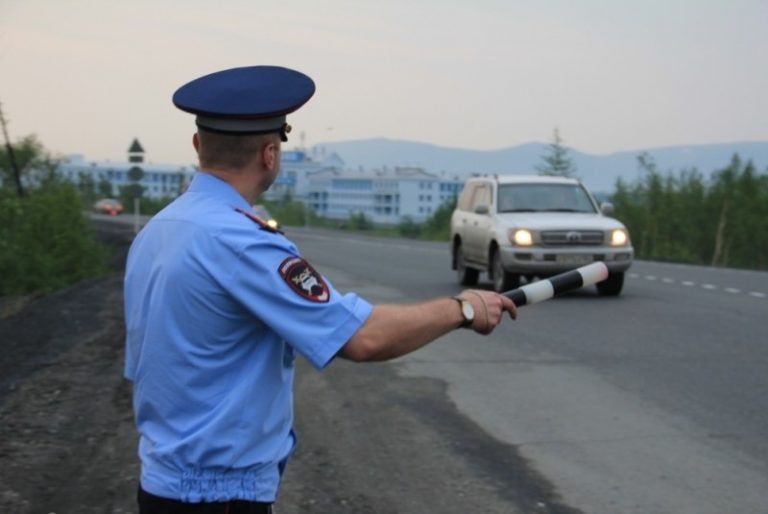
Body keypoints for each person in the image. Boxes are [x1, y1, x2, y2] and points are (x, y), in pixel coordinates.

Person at [123, 65, 517, 513]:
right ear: (270, 154)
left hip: (162, 482)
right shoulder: (241, 242)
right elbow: (361, 338)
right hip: (219, 496)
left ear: (198, 145)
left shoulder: (157, 230)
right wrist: (462, 309)